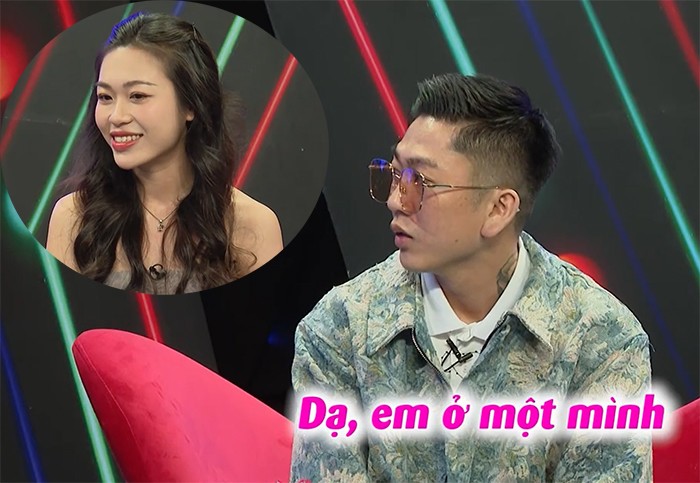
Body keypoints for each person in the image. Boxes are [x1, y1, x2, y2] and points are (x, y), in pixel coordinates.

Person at [291, 74, 651, 481]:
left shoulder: (602, 341)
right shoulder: (338, 329)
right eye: (394, 174)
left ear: (499, 209)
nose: (395, 200)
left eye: (418, 182)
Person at [46, 12, 283, 294]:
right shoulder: (73, 217)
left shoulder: (252, 224)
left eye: (137, 96)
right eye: (105, 97)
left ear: (190, 105)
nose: (116, 116)